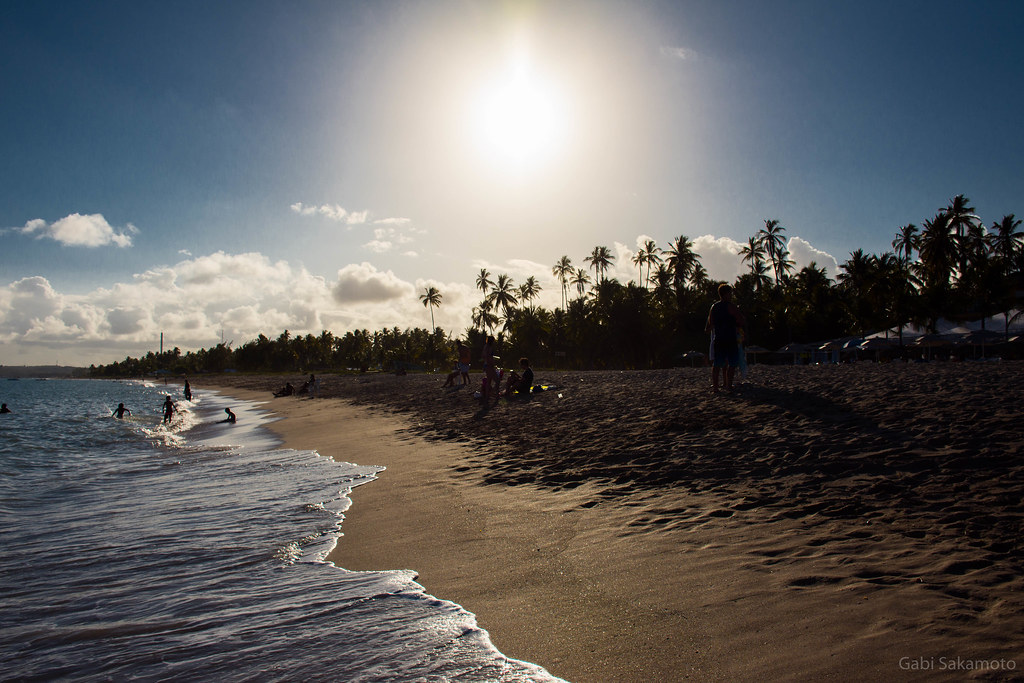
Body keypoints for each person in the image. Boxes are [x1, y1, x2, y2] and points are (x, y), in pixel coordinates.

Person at [705, 283, 746, 392]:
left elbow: (710, 324)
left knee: (717, 364)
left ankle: (715, 387)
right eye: (730, 293)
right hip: (730, 338)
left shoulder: (714, 307)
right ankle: (728, 385)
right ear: (726, 294)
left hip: (719, 338)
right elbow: (741, 320)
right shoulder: (731, 306)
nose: (731, 295)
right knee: (732, 364)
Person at [480, 335, 499, 403]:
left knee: (489, 381)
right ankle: (495, 395)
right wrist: (490, 363)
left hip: (487, 365)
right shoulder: (488, 347)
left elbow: (483, 356)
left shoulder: (486, 346)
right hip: (489, 365)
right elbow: (487, 356)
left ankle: (487, 396)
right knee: (497, 380)